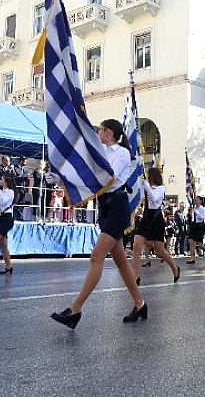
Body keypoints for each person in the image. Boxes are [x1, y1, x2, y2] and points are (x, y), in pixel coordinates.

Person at [51, 119, 146, 329]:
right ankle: (140, 304)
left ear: (108, 132)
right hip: (105, 207)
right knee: (121, 262)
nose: (98, 133)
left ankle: (75, 310)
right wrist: (62, 178)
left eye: (100, 129)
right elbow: (88, 174)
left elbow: (106, 177)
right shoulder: (103, 151)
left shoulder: (121, 153)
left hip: (117, 207)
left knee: (97, 256)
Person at [131, 167, 180, 285]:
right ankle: (134, 276)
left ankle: (175, 268)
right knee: (136, 246)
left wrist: (145, 185)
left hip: (156, 219)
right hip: (146, 218)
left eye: (149, 175)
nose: (147, 177)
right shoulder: (146, 187)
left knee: (160, 250)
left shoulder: (161, 188)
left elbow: (155, 199)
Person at [186, 196, 205, 263]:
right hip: (193, 225)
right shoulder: (193, 208)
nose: (195, 201)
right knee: (191, 241)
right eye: (195, 200)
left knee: (199, 244)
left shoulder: (203, 209)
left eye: (197, 200)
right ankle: (192, 258)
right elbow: (191, 218)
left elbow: (202, 217)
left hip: (200, 226)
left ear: (200, 201)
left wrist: (196, 212)